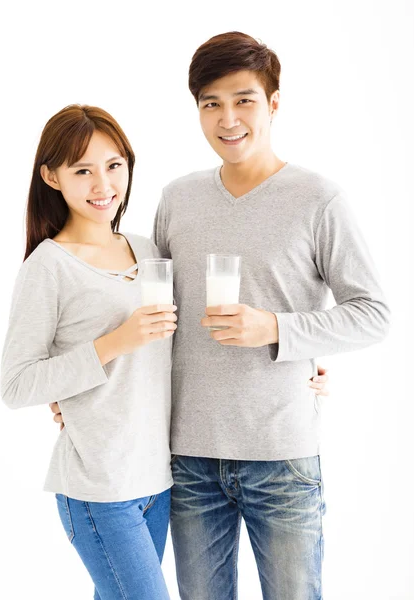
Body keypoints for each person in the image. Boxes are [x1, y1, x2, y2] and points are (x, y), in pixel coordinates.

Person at [151, 32, 390, 600]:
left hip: (281, 457)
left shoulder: (318, 199)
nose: (227, 118)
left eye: (244, 100)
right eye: (211, 103)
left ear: (274, 103)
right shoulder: (176, 198)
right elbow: (151, 319)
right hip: (187, 457)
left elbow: (374, 313)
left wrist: (279, 329)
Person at [0, 105, 179, 600]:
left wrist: (298, 364)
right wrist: (112, 344)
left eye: (113, 165)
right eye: (83, 170)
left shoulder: (148, 252)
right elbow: (16, 386)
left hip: (158, 480)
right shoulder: (48, 265)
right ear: (51, 176)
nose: (103, 184)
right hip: (98, 487)